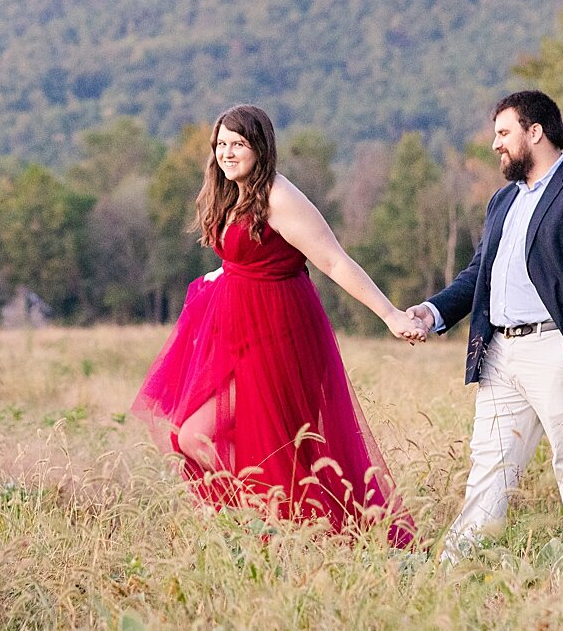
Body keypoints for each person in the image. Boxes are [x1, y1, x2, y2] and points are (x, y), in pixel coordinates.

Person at [132, 104, 423, 542]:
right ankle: (264, 531)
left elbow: (332, 261)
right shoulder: (232, 191)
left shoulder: (278, 196)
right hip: (236, 331)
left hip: (277, 333)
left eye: (238, 144)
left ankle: (288, 533)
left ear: (260, 147)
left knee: (233, 440)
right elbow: (247, 255)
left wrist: (390, 314)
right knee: (196, 437)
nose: (227, 153)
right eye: (222, 144)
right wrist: (221, 274)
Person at [407, 90, 563, 560]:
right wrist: (433, 312)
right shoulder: (502, 201)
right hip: (500, 355)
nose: (495, 145)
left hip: (558, 349)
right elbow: (476, 275)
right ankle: (453, 574)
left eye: (504, 133)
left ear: (536, 132)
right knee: (489, 468)